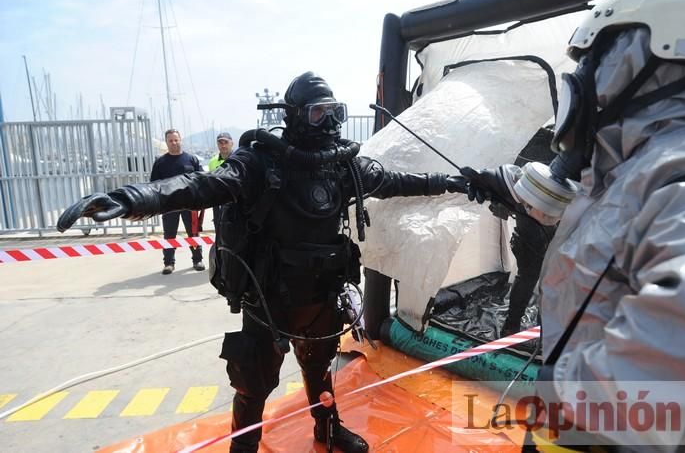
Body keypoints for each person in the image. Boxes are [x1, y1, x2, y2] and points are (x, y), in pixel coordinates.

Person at [56, 71, 469, 453]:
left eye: (334, 113)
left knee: (321, 366)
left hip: (323, 292)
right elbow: (202, 185)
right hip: (271, 297)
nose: (329, 124)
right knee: (253, 383)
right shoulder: (260, 164)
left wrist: (457, 181)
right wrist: (133, 199)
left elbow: (398, 182)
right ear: (294, 117)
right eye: (318, 113)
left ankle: (327, 428)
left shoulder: (342, 169)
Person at [463, 0, 685, 449]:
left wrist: (562, 392)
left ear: (640, 67)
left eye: (593, 62)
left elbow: (679, 350)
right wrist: (501, 181)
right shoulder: (633, 168)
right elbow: (588, 208)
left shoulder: (681, 180)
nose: (581, 83)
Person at [150, 129, 205, 274]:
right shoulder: (160, 163)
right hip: (169, 205)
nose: (174, 143)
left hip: (190, 204)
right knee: (169, 234)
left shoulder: (191, 159)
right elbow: (154, 184)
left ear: (181, 140)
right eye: (170, 140)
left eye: (176, 140)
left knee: (193, 233)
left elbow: (201, 180)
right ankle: (169, 263)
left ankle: (197, 260)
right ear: (166, 142)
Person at [208, 132, 235, 234]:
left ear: (232, 143)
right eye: (220, 143)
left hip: (235, 201)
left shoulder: (239, 159)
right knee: (219, 230)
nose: (223, 145)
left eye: (226, 142)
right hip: (218, 202)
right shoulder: (212, 162)